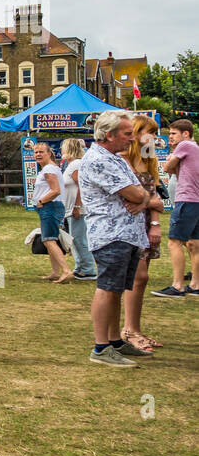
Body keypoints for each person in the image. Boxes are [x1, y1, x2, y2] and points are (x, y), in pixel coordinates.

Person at [79, 110, 163, 366]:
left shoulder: (114, 158)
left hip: (125, 234)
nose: (132, 139)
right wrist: (146, 201)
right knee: (107, 288)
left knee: (116, 290)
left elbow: (142, 193)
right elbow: (139, 195)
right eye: (127, 134)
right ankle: (101, 347)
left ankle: (114, 341)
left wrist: (144, 199)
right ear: (109, 135)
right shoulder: (98, 160)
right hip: (111, 233)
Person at [121, 116, 165, 352]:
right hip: (127, 225)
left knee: (142, 277)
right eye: (151, 133)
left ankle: (134, 328)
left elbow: (155, 197)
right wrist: (149, 203)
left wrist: (154, 222)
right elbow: (129, 199)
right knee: (137, 277)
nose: (155, 138)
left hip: (147, 223)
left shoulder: (148, 160)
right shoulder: (122, 158)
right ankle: (129, 330)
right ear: (136, 133)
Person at [154, 118, 199, 298]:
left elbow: (167, 167)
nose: (170, 138)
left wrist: (173, 159)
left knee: (174, 242)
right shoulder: (195, 148)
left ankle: (178, 285)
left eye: (173, 134)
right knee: (194, 244)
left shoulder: (185, 146)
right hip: (196, 201)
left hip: (186, 199)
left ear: (186, 134)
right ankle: (195, 284)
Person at [31, 142, 73, 282]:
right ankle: (55, 272)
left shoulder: (49, 169)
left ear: (49, 153)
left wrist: (41, 201)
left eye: (41, 152)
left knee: (49, 240)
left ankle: (66, 270)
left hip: (50, 206)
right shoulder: (51, 168)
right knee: (51, 239)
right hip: (53, 206)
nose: (38, 154)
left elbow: (55, 191)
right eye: (36, 152)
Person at [60, 138, 97, 281]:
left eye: (63, 147)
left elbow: (82, 186)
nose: (61, 150)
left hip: (78, 209)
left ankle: (88, 269)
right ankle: (80, 267)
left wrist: (77, 205)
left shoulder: (76, 164)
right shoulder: (70, 164)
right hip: (70, 208)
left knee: (79, 239)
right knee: (74, 239)